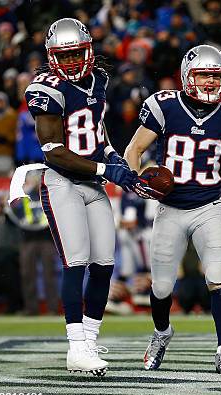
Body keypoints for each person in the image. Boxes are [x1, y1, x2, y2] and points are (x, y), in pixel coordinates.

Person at [21, 18, 141, 376]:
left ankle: (89, 342)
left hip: (92, 183)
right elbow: (53, 151)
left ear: (88, 50)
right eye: (64, 55)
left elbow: (98, 135)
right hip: (62, 182)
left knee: (104, 263)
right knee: (76, 261)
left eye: (77, 53)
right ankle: (75, 345)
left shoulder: (99, 80)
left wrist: (117, 161)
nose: (72, 61)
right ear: (51, 56)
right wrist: (106, 171)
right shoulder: (46, 88)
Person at [124, 44, 221, 374]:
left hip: (209, 206)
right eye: (203, 75)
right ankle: (161, 333)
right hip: (170, 208)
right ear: (187, 76)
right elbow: (134, 149)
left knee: (217, 277)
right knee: (162, 287)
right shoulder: (165, 105)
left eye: (216, 76)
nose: (210, 82)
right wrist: (137, 180)